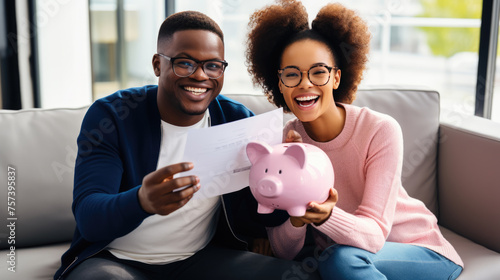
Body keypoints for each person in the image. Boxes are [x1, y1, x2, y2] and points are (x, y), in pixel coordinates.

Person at [55, 10, 320, 280]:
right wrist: (142, 201)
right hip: (114, 262)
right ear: (158, 65)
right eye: (185, 63)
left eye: (213, 65)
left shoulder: (236, 121)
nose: (200, 76)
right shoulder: (112, 117)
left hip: (197, 260)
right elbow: (89, 219)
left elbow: (256, 219)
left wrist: (283, 180)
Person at [245, 1, 464, 279]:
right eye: (291, 74)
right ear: (279, 84)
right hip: (345, 259)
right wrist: (297, 218)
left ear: (336, 77)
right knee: (331, 261)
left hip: (421, 251)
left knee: (339, 259)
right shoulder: (285, 144)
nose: (304, 84)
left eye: (318, 72)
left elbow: (373, 237)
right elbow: (284, 251)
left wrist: (326, 216)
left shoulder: (379, 129)